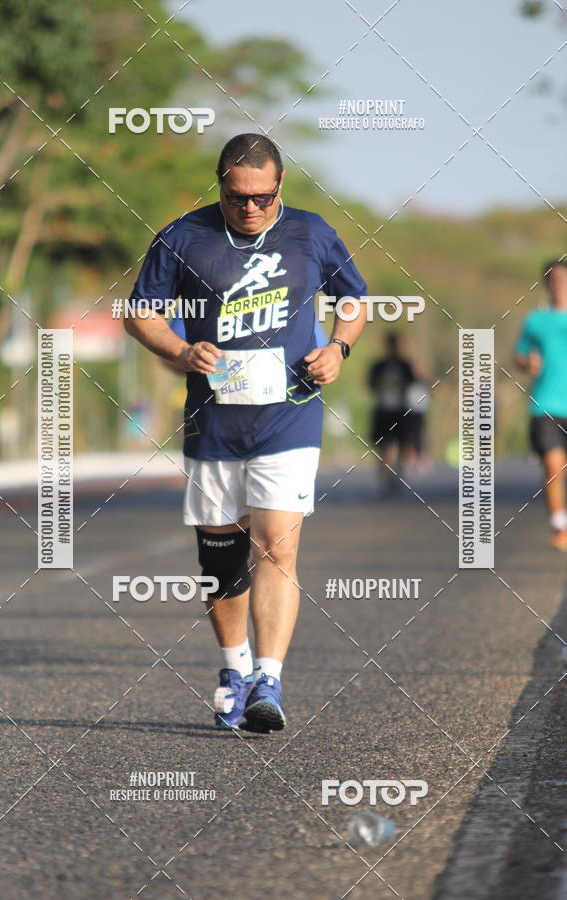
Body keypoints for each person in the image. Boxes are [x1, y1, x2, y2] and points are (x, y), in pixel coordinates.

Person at [125, 133, 367, 732]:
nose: (252, 209)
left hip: (290, 414)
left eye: (262, 197)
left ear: (280, 185)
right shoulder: (184, 236)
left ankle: (268, 679)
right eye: (239, 199)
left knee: (277, 548)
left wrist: (337, 348)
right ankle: (232, 671)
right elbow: (139, 312)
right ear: (221, 186)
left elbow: (354, 300)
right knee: (222, 559)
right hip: (214, 423)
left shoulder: (311, 232)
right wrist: (181, 350)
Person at [515, 259, 567, 551]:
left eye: (563, 278)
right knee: (553, 464)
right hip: (545, 404)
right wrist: (527, 362)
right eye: (553, 279)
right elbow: (520, 355)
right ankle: (559, 526)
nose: (558, 284)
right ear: (546, 284)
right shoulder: (536, 320)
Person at [367, 332, 417, 493]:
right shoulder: (379, 365)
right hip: (382, 410)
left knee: (402, 445)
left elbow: (412, 382)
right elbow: (370, 384)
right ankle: (385, 479)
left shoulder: (404, 365)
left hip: (400, 410)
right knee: (384, 446)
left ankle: (398, 476)